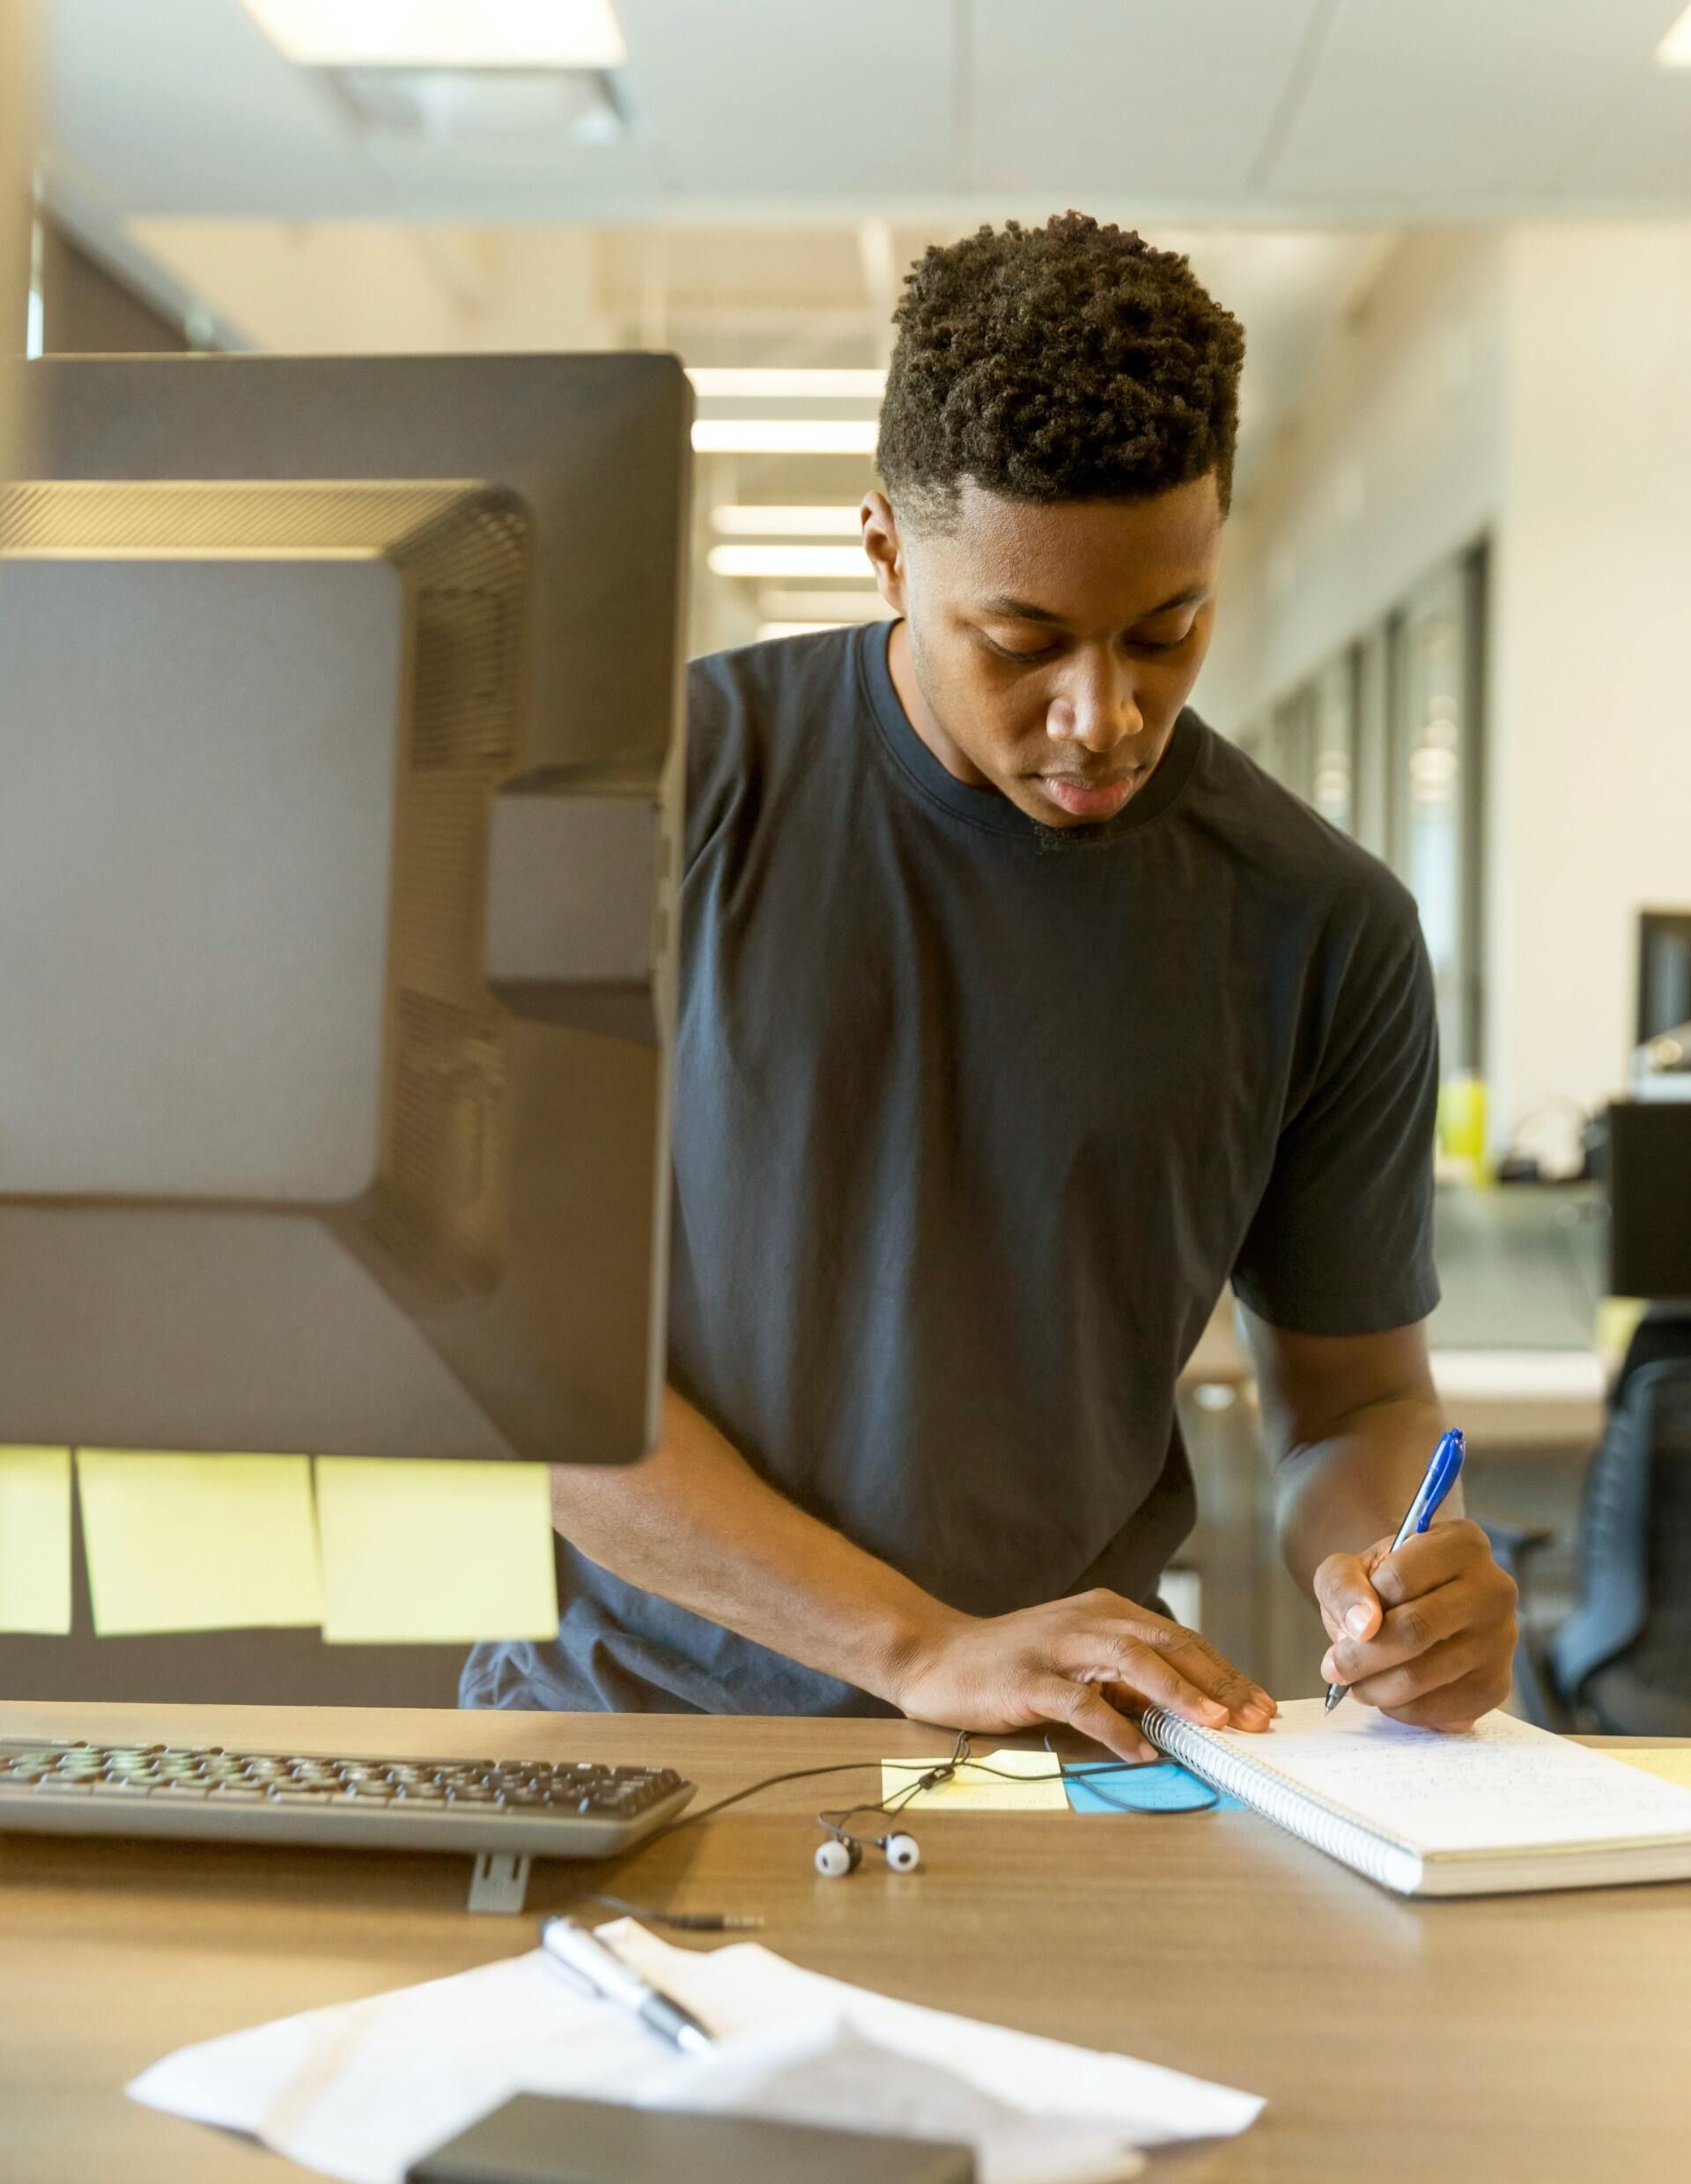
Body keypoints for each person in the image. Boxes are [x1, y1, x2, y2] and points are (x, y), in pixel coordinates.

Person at [463, 213, 1517, 1757]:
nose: (1105, 714)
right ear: (886, 544)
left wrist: (1395, 1586)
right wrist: (912, 1644)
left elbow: (1355, 1407)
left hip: (1058, 1753)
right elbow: (509, 1358)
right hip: (629, 1731)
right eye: (1023, 641)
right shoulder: (653, 800)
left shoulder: (1321, 923)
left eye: (1168, 632)